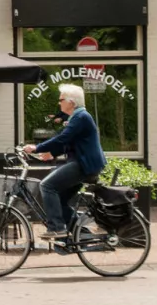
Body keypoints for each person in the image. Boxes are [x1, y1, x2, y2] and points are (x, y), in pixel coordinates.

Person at [23, 83, 106, 242]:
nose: (59, 102)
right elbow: (69, 143)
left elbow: (63, 138)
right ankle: (79, 232)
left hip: (84, 165)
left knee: (46, 186)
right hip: (83, 163)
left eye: (61, 99)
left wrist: (36, 147)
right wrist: (51, 153)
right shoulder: (77, 117)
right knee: (59, 198)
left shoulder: (81, 116)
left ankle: (57, 228)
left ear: (71, 102)